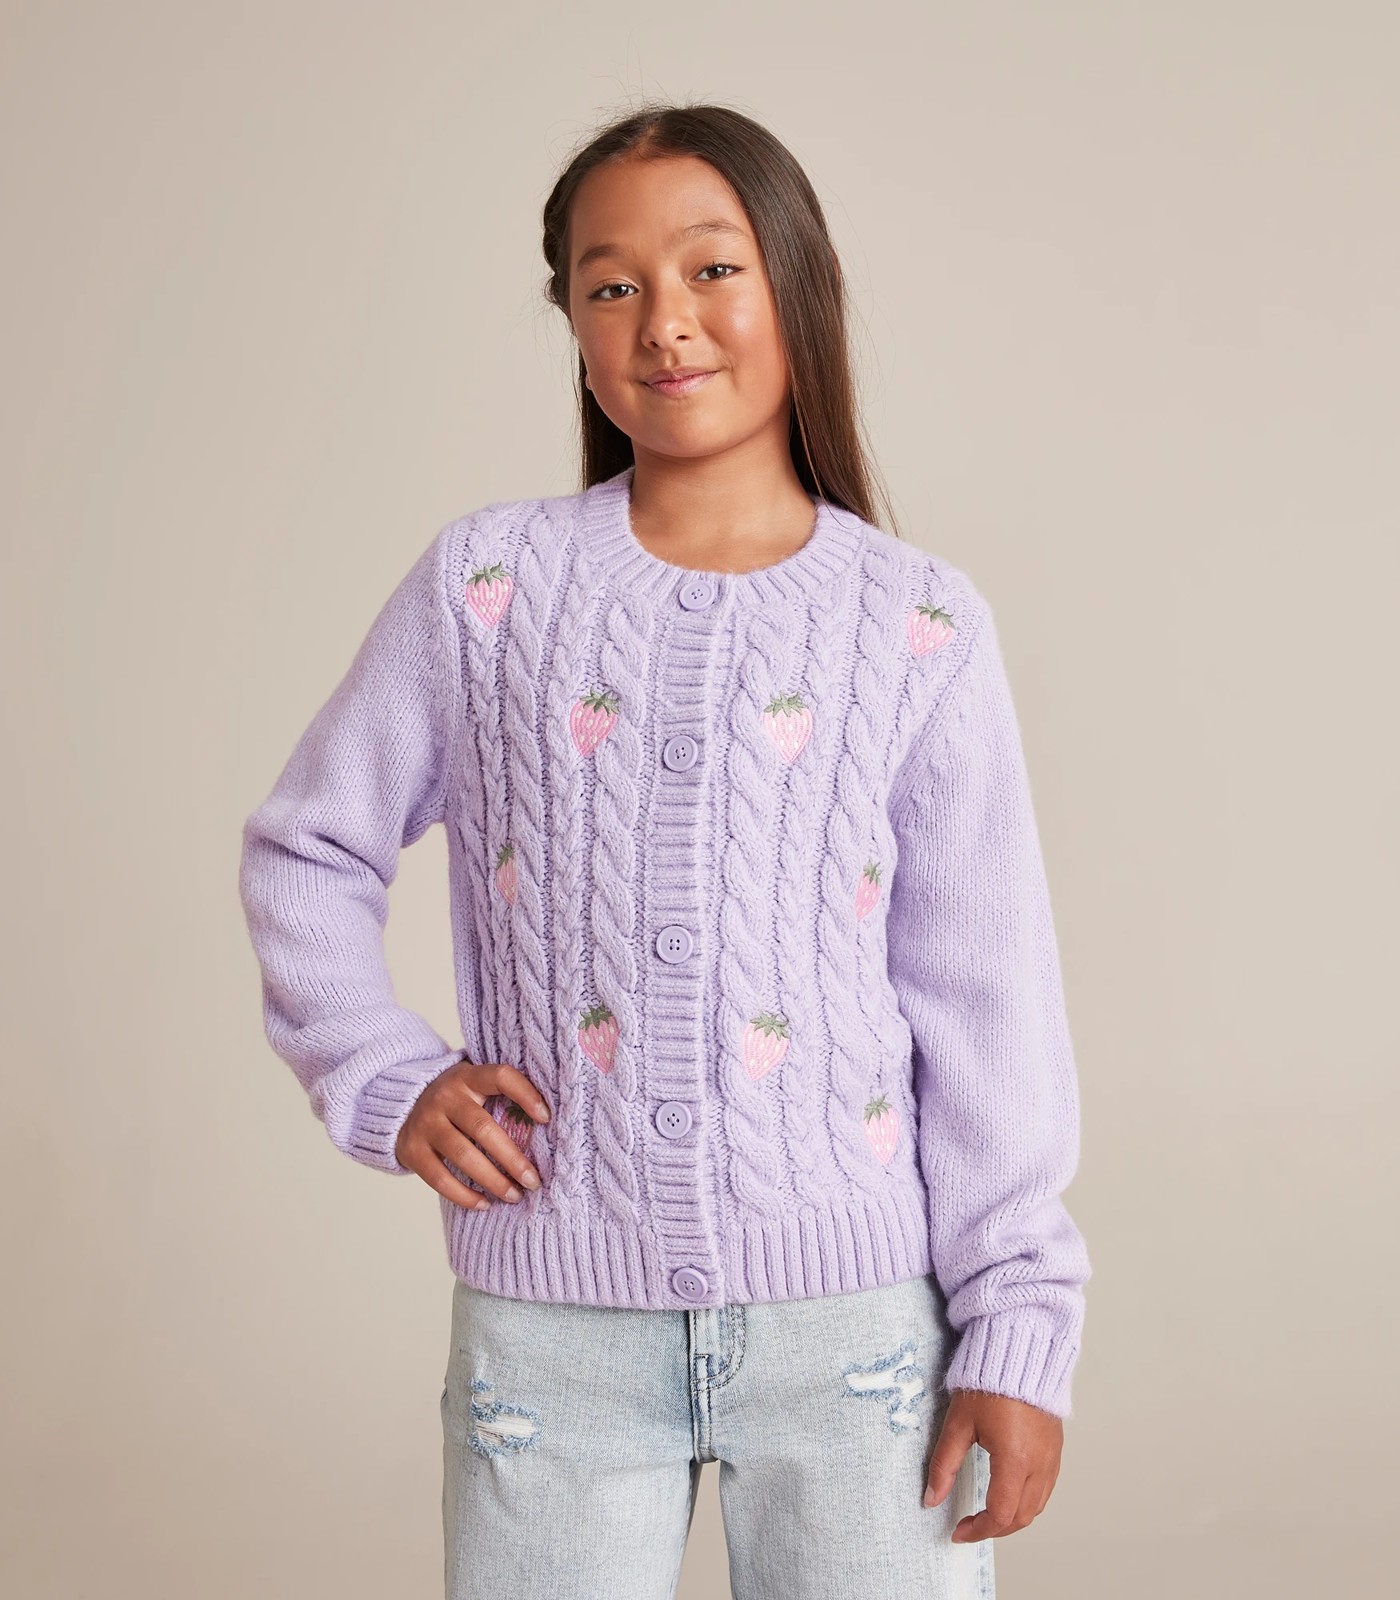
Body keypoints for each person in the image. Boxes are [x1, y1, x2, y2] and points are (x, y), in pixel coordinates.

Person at [238, 100, 1092, 1600]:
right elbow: (309, 846)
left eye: (712, 269)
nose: (665, 321)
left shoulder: (917, 626)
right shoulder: (488, 588)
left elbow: (987, 998)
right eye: (612, 283)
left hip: (858, 1341)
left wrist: (1019, 1324)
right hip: (550, 1339)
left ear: (796, 288)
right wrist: (381, 1074)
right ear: (573, 325)